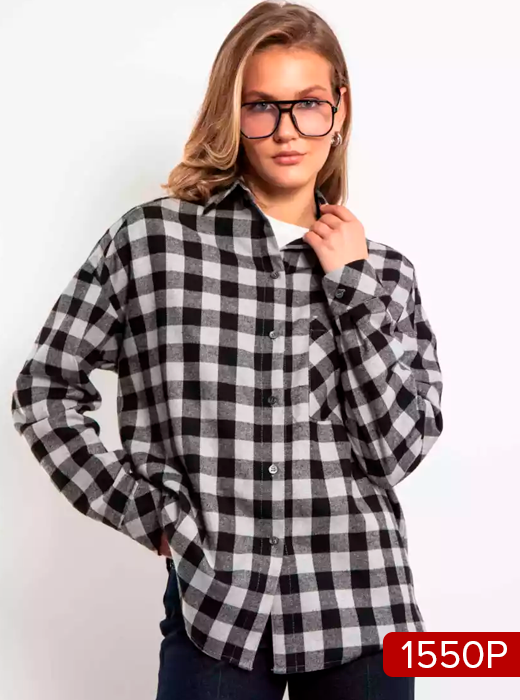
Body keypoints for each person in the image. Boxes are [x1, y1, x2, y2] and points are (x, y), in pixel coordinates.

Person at [10, 1, 443, 698]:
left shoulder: (385, 273)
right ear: (231, 112)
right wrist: (144, 511)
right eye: (261, 106)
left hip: (363, 608)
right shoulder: (151, 243)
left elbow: (397, 452)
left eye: (308, 104)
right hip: (217, 608)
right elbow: (44, 391)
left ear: (339, 109)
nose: (286, 130)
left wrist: (353, 287)